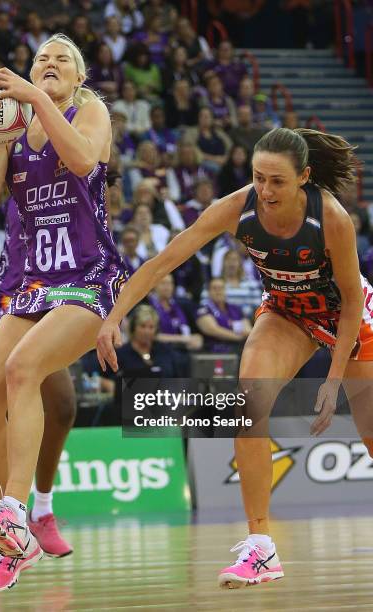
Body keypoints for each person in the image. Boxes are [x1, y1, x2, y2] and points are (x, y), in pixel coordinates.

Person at [96, 127, 373, 588]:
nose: (265, 190)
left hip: (348, 317)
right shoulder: (235, 208)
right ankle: (262, 548)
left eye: (277, 182)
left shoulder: (334, 219)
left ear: (304, 177)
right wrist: (114, 316)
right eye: (258, 177)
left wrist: (332, 379)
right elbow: (164, 261)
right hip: (286, 311)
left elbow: (348, 300)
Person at [0, 33, 128, 591]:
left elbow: (81, 160)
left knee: (24, 372)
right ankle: (10, 539)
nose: (50, 65)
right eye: (40, 60)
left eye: (62, 61)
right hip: (30, 283)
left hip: (87, 277)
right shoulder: (7, 128)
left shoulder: (92, 110)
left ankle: (15, 508)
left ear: (78, 78)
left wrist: (38, 95)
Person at [0, 193, 76, 566]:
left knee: (62, 408)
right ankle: (5, 511)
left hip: (61, 290)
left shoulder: (84, 155)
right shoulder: (17, 142)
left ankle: (39, 508)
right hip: (15, 292)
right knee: (2, 401)